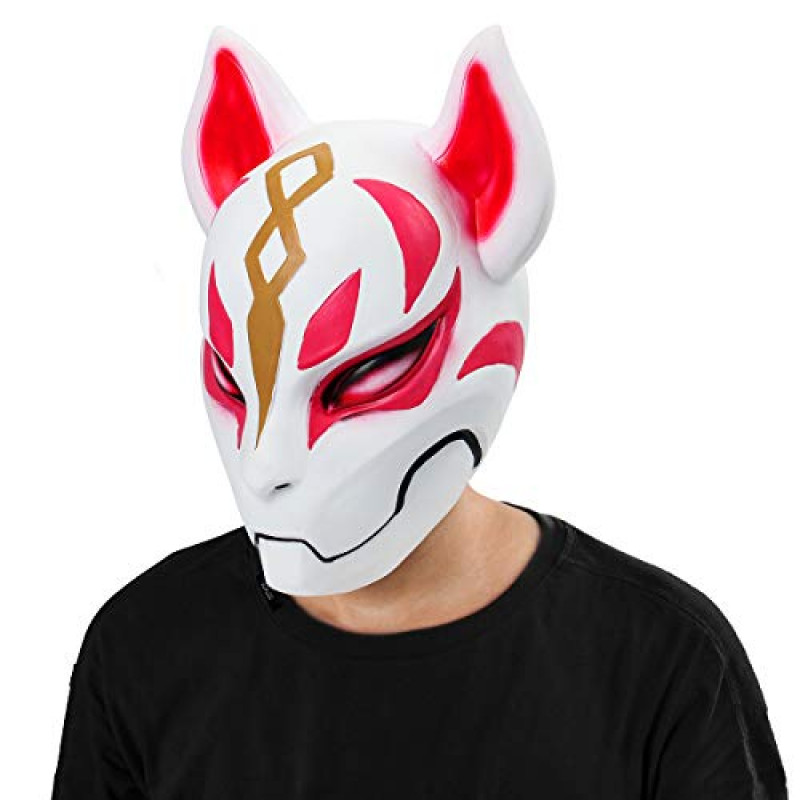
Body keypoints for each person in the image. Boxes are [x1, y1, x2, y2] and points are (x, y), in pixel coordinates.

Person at [52, 26, 787, 799]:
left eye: (367, 372)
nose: (267, 464)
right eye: (236, 383)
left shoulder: (662, 664)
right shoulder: (142, 652)